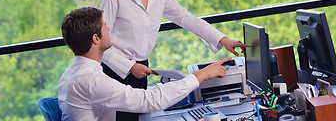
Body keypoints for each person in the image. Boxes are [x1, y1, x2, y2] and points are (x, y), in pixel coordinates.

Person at [100, 0, 248, 120]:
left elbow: (187, 19)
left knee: (138, 118)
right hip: (115, 71)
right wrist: (130, 67)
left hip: (141, 69)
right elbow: (100, 45)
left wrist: (224, 40)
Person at [58, 7, 231, 121]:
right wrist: (201, 75)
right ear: (96, 38)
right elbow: (149, 101)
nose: (109, 29)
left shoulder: (74, 73)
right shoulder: (91, 80)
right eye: (105, 26)